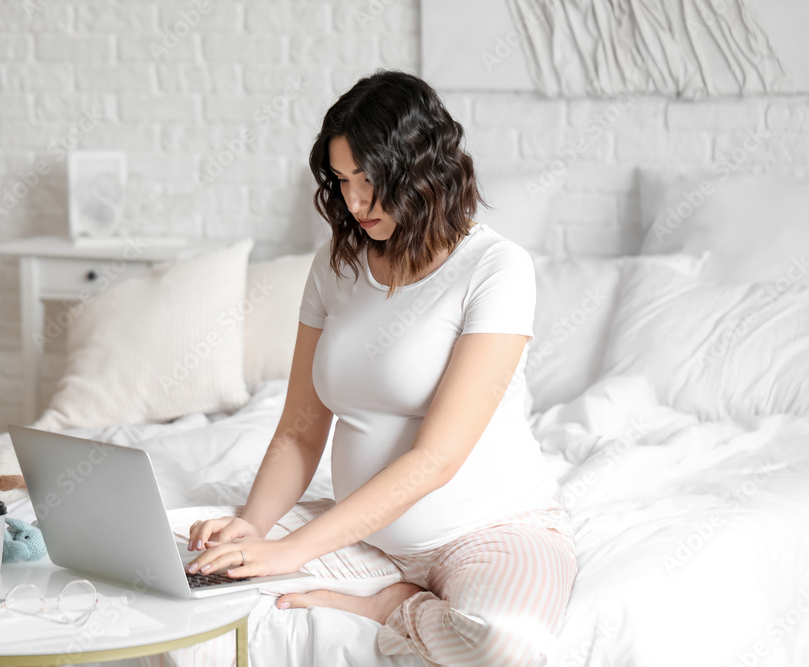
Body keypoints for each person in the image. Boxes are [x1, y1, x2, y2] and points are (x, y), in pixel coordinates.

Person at [184, 69, 578, 666]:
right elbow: (299, 427)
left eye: (370, 182)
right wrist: (257, 527)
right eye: (342, 182)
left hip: (492, 532)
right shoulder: (334, 266)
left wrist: (296, 552)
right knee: (196, 580)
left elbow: (436, 458)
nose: (355, 203)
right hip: (366, 538)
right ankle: (386, 586)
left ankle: (393, 606)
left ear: (423, 172)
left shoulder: (496, 269)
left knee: (505, 647)